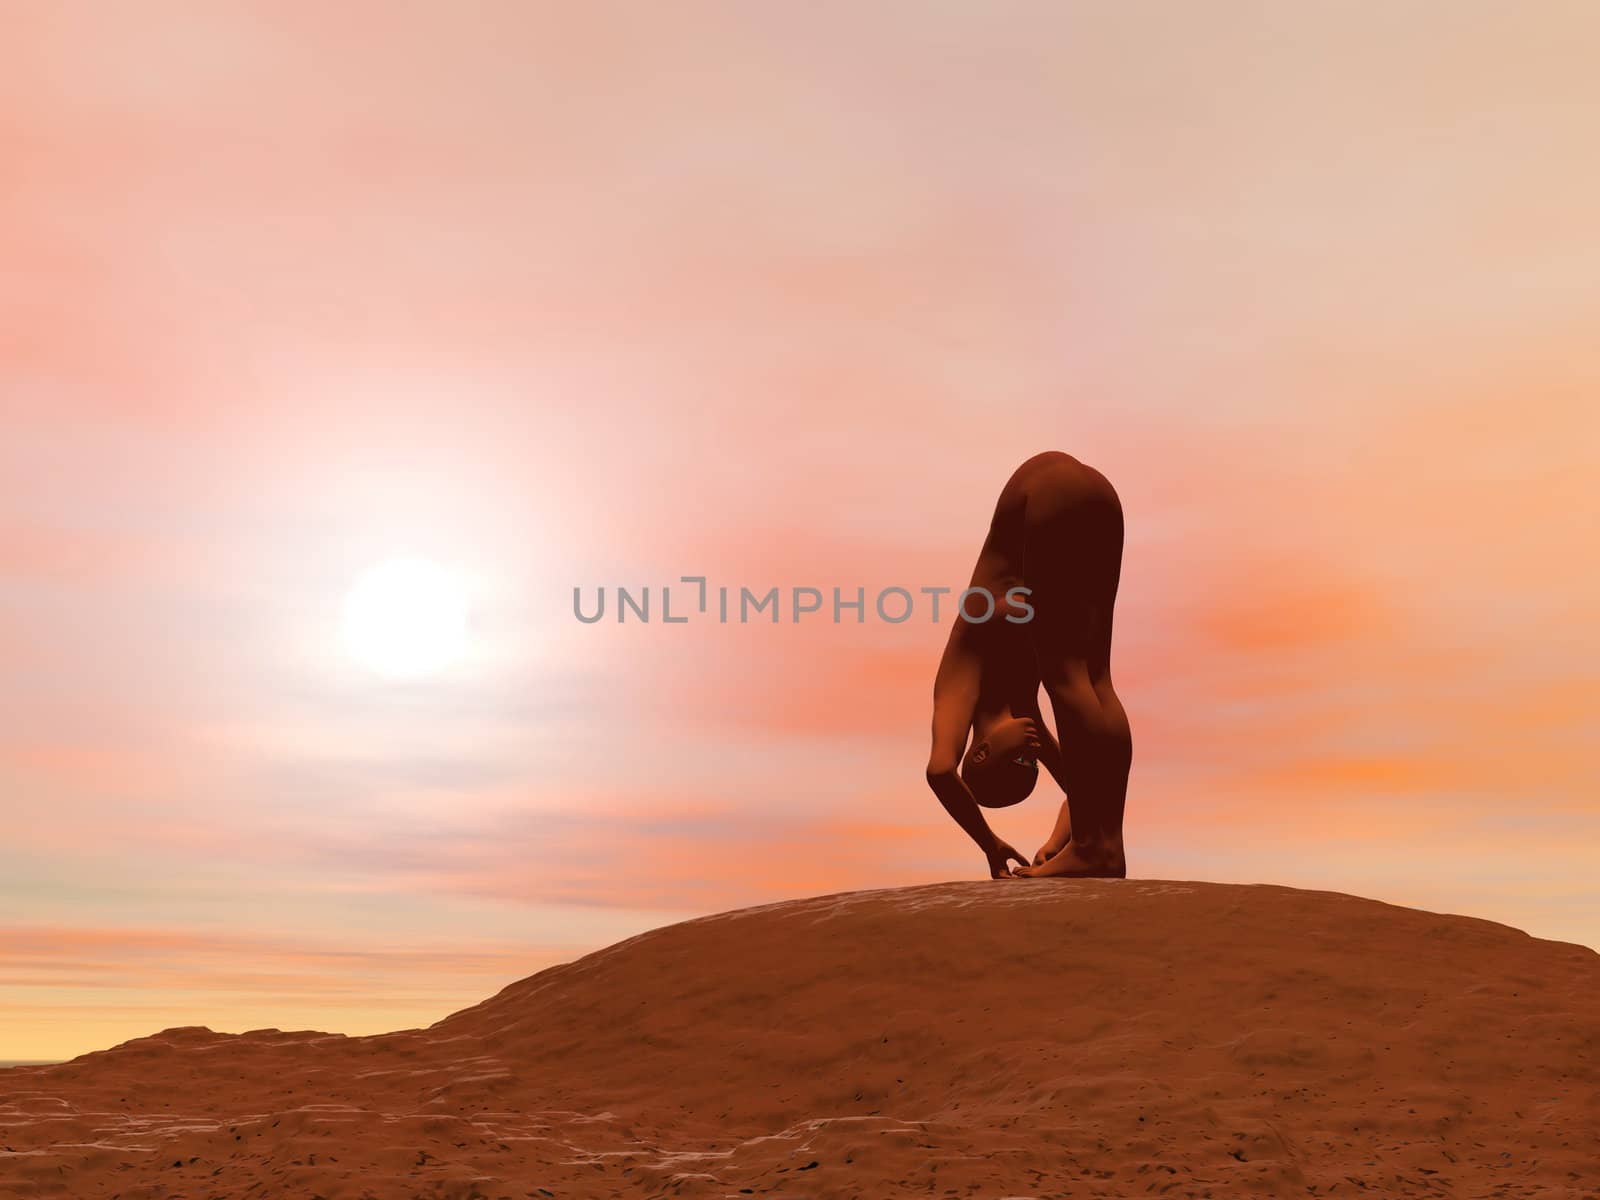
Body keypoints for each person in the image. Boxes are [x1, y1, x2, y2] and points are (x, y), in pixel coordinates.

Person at [924, 451, 1131, 880]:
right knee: (1096, 679)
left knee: (1071, 677)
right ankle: (1096, 847)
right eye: (1031, 766)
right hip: (1098, 498)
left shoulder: (959, 682)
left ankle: (1096, 849)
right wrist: (1058, 843)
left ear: (980, 753)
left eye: (1017, 763)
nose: (1031, 756)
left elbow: (940, 770)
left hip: (1047, 492)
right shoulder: (1024, 713)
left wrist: (990, 843)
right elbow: (1085, 788)